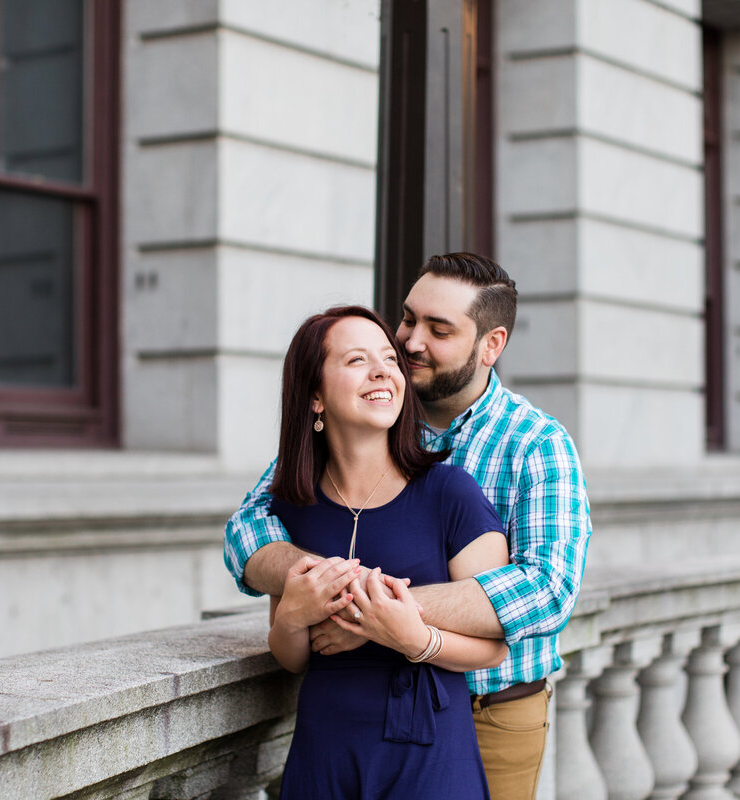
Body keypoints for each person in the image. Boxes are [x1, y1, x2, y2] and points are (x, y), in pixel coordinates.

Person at [225, 253, 592, 800]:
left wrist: (375, 612)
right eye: (408, 319)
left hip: (491, 708)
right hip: (352, 719)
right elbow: (247, 529)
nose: (410, 342)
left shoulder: (535, 443)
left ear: (491, 345)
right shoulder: (370, 419)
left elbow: (548, 589)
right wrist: (319, 588)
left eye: (438, 330)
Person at [265, 305, 510, 799]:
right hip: (325, 751)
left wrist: (414, 638)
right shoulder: (292, 504)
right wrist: (291, 619)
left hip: (429, 755)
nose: (383, 371)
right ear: (315, 395)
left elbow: (495, 645)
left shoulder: (450, 493)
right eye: (357, 360)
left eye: (389, 359)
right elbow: (294, 659)